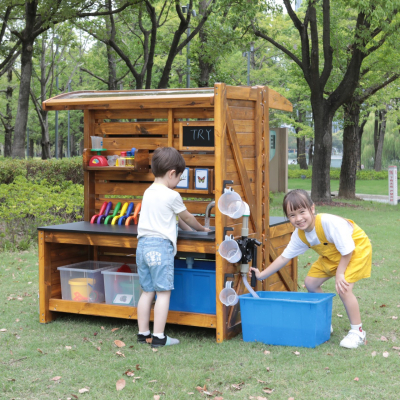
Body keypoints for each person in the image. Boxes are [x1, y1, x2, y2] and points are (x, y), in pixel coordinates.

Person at [250, 189, 372, 349]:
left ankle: (358, 332)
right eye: (292, 215)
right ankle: (323, 322)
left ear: (312, 209)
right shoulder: (299, 235)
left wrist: (340, 274)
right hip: (333, 255)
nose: (298, 219)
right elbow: (283, 258)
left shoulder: (328, 222)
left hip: (355, 251)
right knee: (310, 283)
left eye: (302, 212)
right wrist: (261, 275)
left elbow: (348, 250)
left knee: (344, 288)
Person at [136, 147, 210, 348]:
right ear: (171, 173)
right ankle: (159, 336)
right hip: (160, 248)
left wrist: (190, 229)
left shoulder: (148, 192)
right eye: (179, 177)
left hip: (142, 246)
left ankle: (143, 333)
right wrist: (202, 229)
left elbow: (175, 219)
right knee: (163, 292)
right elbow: (187, 217)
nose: (178, 181)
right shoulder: (172, 195)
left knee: (147, 291)